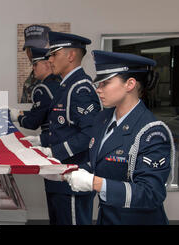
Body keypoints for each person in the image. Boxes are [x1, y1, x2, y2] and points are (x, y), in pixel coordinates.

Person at [64, 50, 174, 225]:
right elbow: (100, 162)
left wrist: (96, 183)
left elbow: (151, 194)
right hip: (107, 217)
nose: (98, 90)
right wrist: (63, 170)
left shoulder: (151, 132)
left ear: (130, 84)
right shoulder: (103, 118)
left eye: (105, 83)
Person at [31, 31, 101, 225]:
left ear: (70, 56)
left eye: (54, 54)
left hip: (72, 174)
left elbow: (90, 134)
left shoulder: (81, 89)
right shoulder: (65, 86)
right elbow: (61, 128)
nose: (50, 59)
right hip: (58, 173)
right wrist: (40, 141)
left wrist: (53, 151)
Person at [15, 47, 61, 147]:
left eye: (35, 64)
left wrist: (17, 117)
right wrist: (21, 112)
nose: (33, 68)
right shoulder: (60, 82)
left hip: (51, 140)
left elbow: (33, 123)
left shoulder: (43, 89)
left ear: (47, 64)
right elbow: (44, 111)